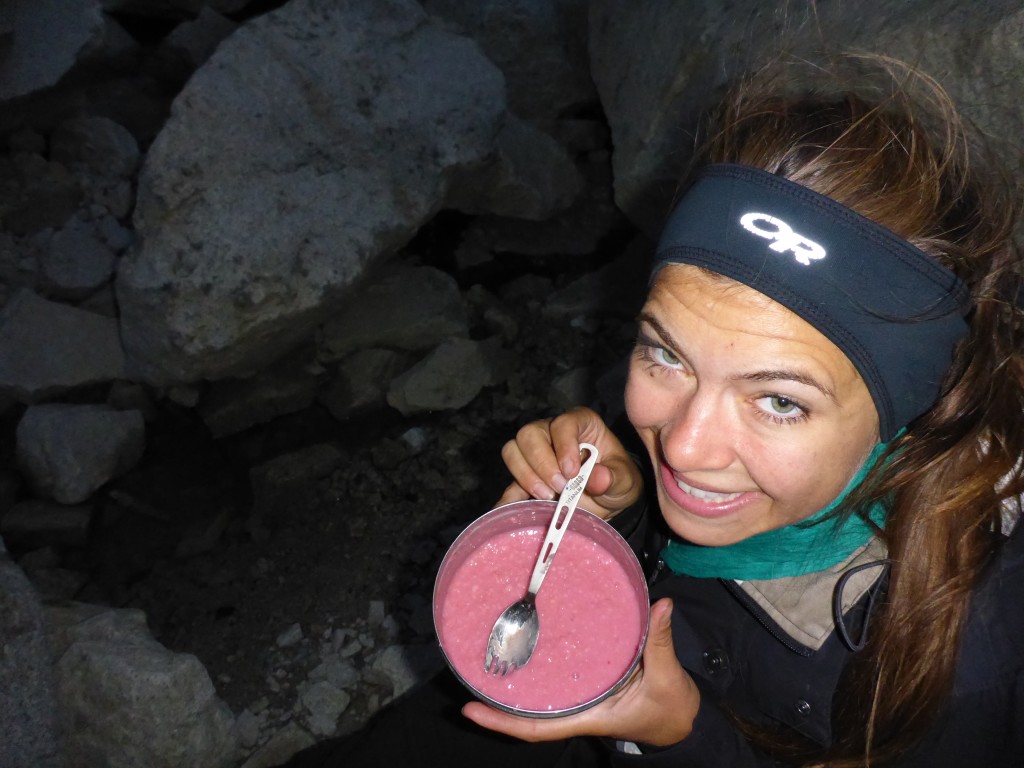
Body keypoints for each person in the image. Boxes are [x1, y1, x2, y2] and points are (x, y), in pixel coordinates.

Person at [282, 58, 1024, 767]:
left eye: (778, 401)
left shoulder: (962, 672)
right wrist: (623, 511)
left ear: (915, 414)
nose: (685, 446)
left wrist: (678, 736)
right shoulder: (707, 450)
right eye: (666, 354)